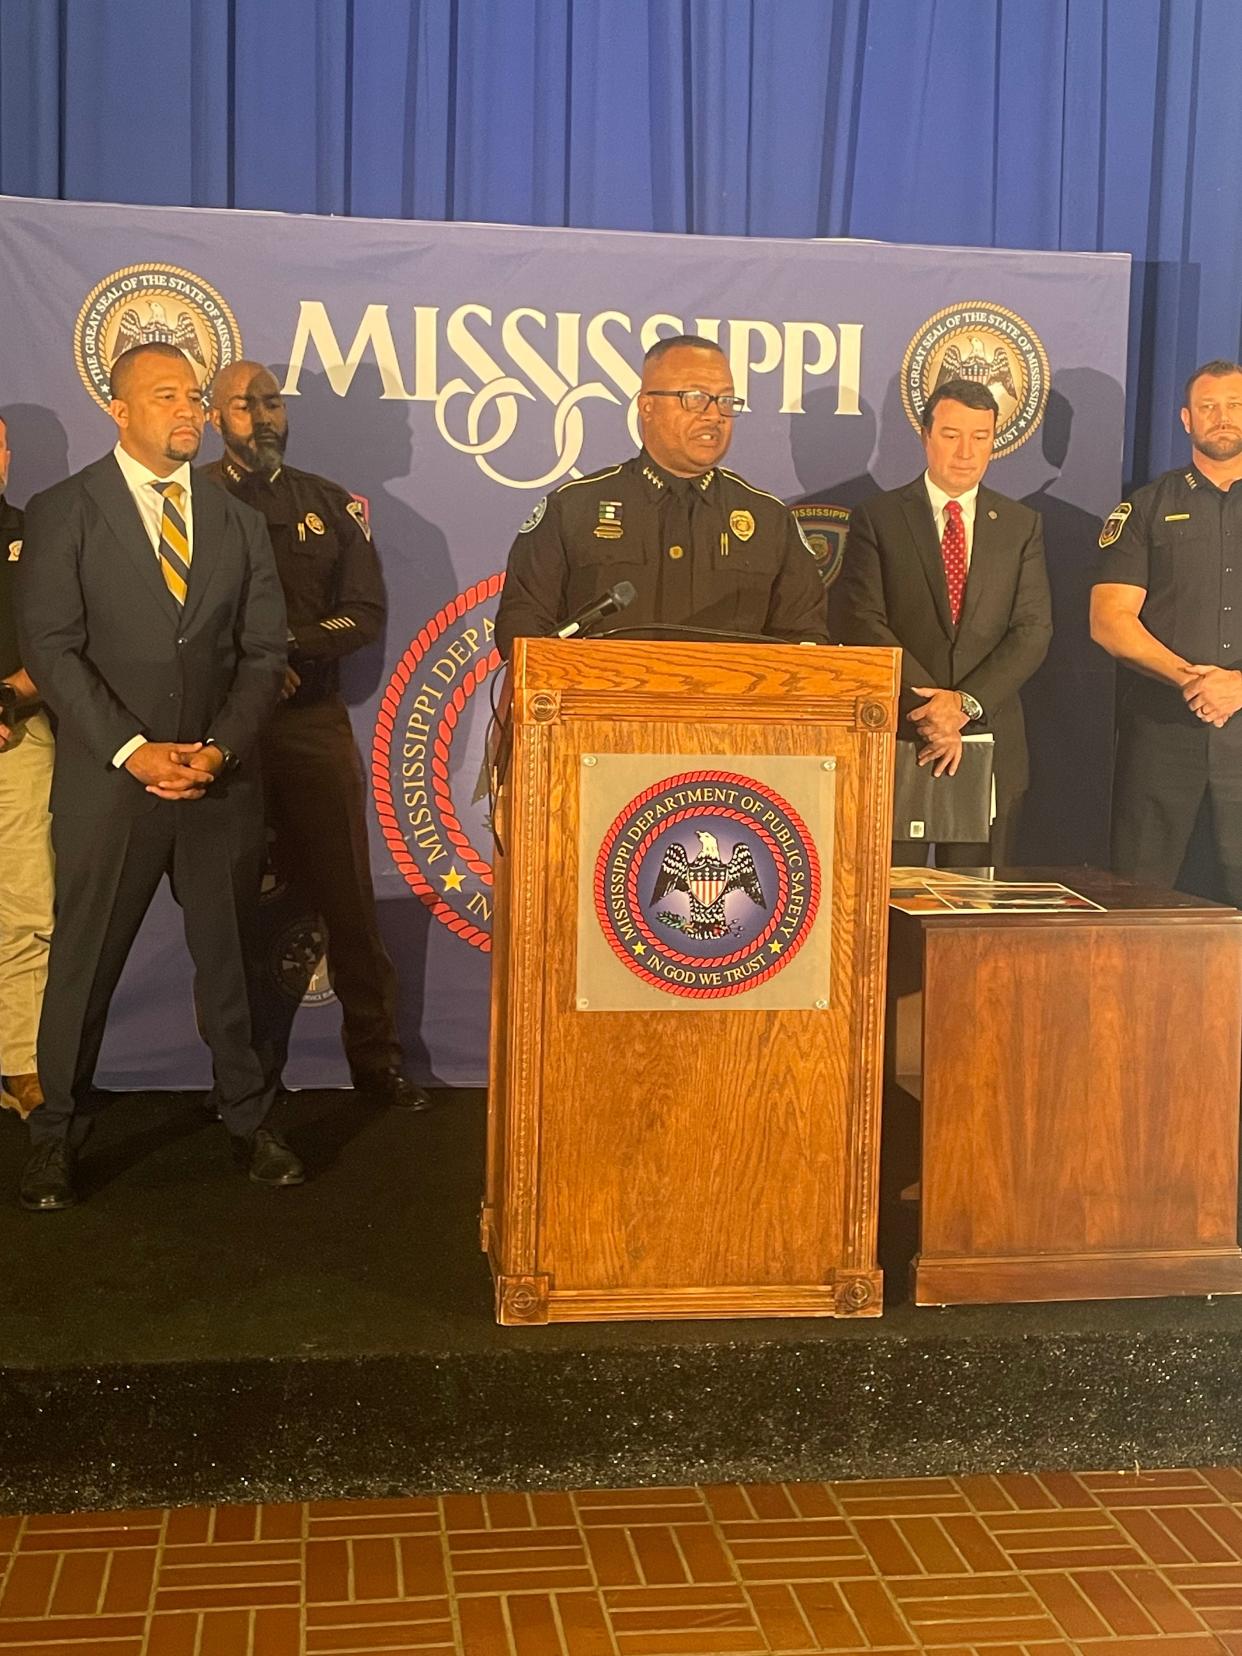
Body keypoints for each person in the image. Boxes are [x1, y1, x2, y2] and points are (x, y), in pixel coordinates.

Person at [14, 342, 300, 1210]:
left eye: (194, 399)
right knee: (82, 964)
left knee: (231, 962)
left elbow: (263, 655)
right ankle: (56, 1136)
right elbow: (51, 650)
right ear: (119, 407)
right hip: (111, 784)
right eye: (165, 395)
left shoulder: (238, 521)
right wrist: (131, 750)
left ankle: (250, 1119)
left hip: (217, 783)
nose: (187, 411)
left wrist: (216, 750)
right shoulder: (64, 509)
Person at [204, 361, 430, 1111]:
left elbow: (362, 616)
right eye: (244, 405)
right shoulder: (187, 502)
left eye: (271, 403)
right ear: (215, 417)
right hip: (222, 729)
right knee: (233, 907)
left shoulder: (330, 506)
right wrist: (251, 667)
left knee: (349, 903)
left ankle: (376, 1061)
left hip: (310, 727)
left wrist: (284, 652)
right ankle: (243, 1080)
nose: (261, 416)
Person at [494, 334, 829, 654]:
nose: (714, 415)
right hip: (601, 709)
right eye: (695, 398)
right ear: (647, 407)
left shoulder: (768, 519)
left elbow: (805, 639)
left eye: (726, 401)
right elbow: (522, 630)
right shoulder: (572, 509)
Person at [833, 379, 1052, 864]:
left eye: (981, 436)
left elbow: (1033, 630)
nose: (966, 451)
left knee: (973, 918)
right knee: (889, 905)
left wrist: (963, 705)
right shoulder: (879, 517)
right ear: (926, 435)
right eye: (952, 434)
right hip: (902, 736)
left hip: (988, 741)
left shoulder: (1021, 525)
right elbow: (861, 621)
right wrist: (932, 709)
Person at [1091, 358, 1242, 901]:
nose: (1221, 417)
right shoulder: (1146, 508)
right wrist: (1191, 681)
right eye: (1207, 406)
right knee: (1141, 896)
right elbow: (1109, 621)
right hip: (1161, 734)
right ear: (1185, 419)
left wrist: (1237, 687)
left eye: (1234, 405)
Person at [0, 413, 54, 1123]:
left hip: (20, 736)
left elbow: (61, 638)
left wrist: (10, 696)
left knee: (26, 908)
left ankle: (20, 1062)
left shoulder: (33, 537)